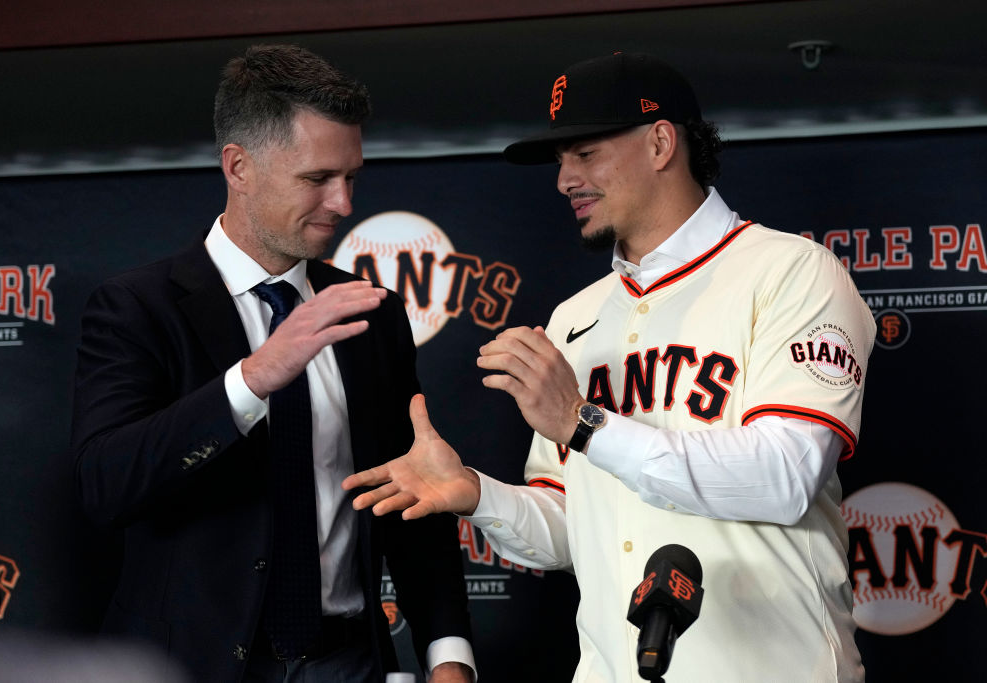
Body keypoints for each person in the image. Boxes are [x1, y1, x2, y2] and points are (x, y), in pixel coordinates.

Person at [344, 52, 874, 682]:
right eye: (561, 160)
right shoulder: (575, 317)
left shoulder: (790, 271)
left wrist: (584, 421)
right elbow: (570, 527)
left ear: (659, 142)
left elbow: (787, 476)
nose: (565, 179)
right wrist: (477, 496)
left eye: (586, 152)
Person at [71, 44, 474, 683]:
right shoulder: (136, 308)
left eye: (353, 178)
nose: (343, 204)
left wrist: (449, 654)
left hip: (349, 661)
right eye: (317, 179)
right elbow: (105, 485)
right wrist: (254, 376)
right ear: (239, 166)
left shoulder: (371, 313)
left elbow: (414, 493)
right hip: (188, 667)